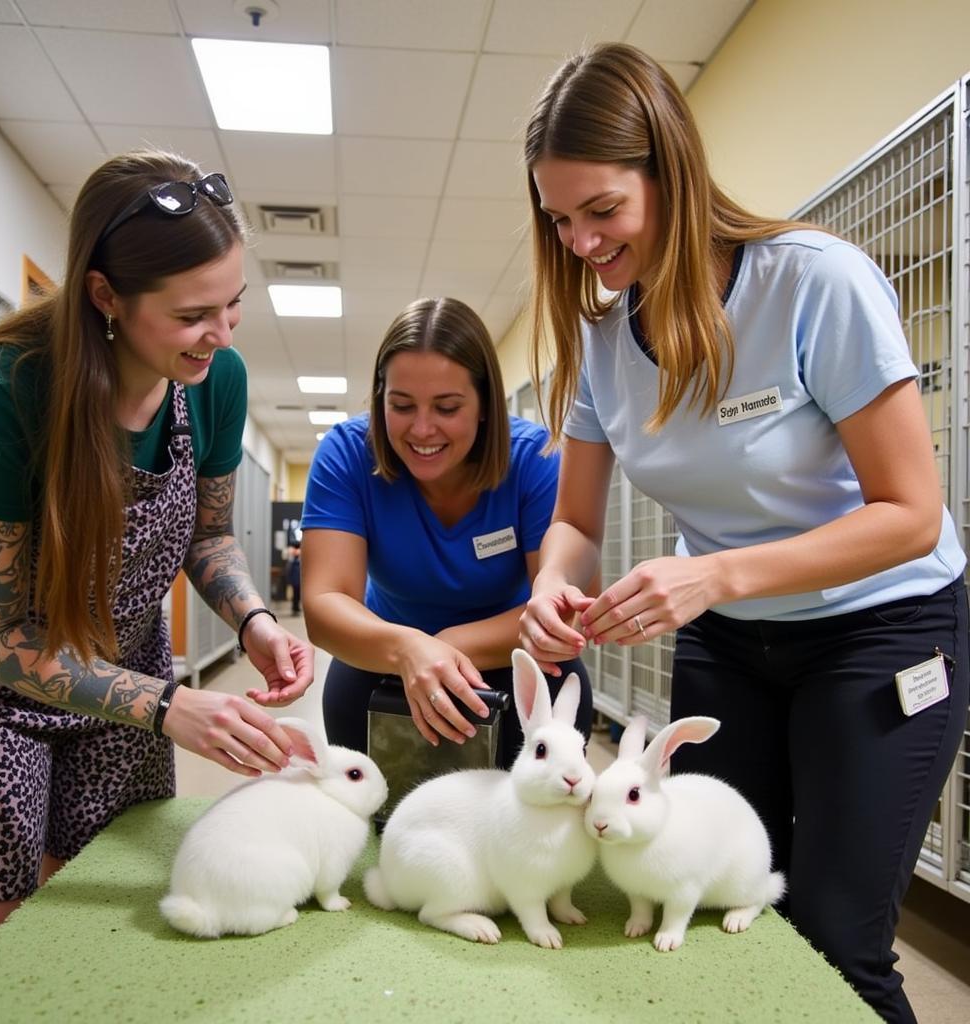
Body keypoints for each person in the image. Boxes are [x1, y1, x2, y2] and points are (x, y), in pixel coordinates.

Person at [517, 43, 967, 1024]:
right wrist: (555, 583)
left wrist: (712, 572)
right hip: (729, 643)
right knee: (722, 907)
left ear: (669, 176)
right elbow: (574, 522)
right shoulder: (600, 342)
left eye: (603, 211)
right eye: (559, 220)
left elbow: (910, 513)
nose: (582, 242)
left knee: (833, 945)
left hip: (879, 628)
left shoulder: (815, 283)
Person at [0, 150, 315, 963]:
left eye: (233, 305)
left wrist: (252, 620)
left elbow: (209, 534)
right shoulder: (3, 394)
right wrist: (169, 708)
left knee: (110, 910)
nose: (219, 334)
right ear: (105, 295)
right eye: (192, 315)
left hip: (131, 670)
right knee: (3, 940)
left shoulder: (214, 380)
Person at [302, 296, 592, 769]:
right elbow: (324, 604)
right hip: (383, 663)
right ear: (380, 399)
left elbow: (569, 611)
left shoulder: (534, 460)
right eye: (401, 405)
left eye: (447, 407)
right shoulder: (347, 454)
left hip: (518, 667)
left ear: (483, 406)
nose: (422, 429)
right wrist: (407, 648)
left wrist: (445, 646)